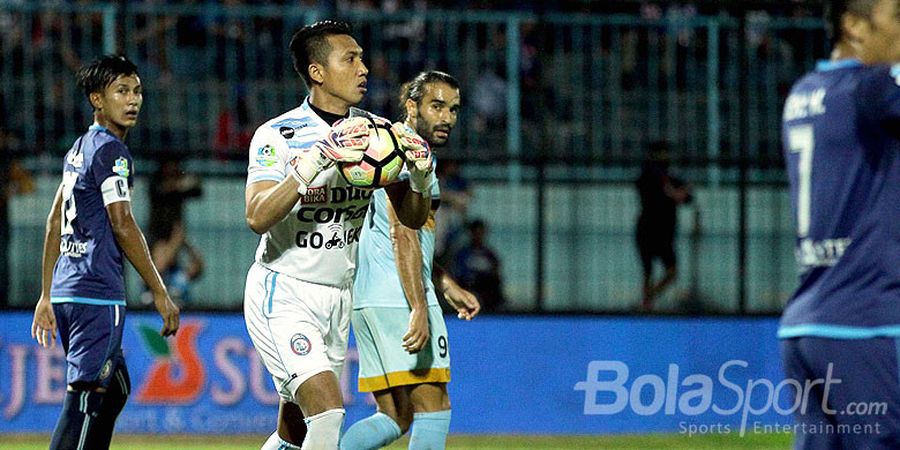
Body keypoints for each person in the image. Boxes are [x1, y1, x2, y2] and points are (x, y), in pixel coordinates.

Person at [241, 20, 433, 450]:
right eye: (350, 59)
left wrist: (419, 178)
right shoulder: (279, 135)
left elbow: (413, 218)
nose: (364, 67)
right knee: (328, 414)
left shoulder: (377, 135)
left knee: (294, 430)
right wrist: (309, 165)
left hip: (337, 296)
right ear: (317, 72)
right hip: (284, 291)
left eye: (362, 57)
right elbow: (256, 216)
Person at [29, 55, 180, 450]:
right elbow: (122, 223)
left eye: (137, 91)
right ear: (98, 99)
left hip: (68, 290)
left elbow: (51, 223)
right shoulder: (112, 152)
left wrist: (47, 294)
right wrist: (160, 291)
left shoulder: (79, 148)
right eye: (121, 91)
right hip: (95, 292)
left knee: (114, 387)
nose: (133, 100)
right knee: (86, 397)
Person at [779, 1, 900, 448]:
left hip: (806, 327)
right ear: (853, 25)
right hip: (867, 321)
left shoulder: (804, 92)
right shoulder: (871, 89)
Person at [341, 71, 481, 450]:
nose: (447, 117)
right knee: (435, 407)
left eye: (453, 109)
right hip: (399, 298)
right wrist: (418, 304)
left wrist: (444, 282)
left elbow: (412, 232)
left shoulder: (384, 147)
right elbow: (402, 231)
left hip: (368, 297)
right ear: (411, 105)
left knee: (395, 416)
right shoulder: (407, 152)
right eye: (436, 106)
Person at [634, 140, 692, 312]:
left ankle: (648, 299)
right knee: (648, 271)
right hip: (648, 229)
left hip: (665, 233)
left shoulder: (670, 177)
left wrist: (678, 193)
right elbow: (671, 193)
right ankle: (647, 304)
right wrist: (674, 193)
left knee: (671, 271)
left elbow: (686, 196)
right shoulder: (648, 175)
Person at [453, 219, 505, 313]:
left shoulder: (489, 254)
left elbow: (496, 270)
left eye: (481, 233)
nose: (478, 236)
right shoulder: (463, 253)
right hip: (467, 285)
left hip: (485, 286)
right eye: (476, 233)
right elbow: (457, 272)